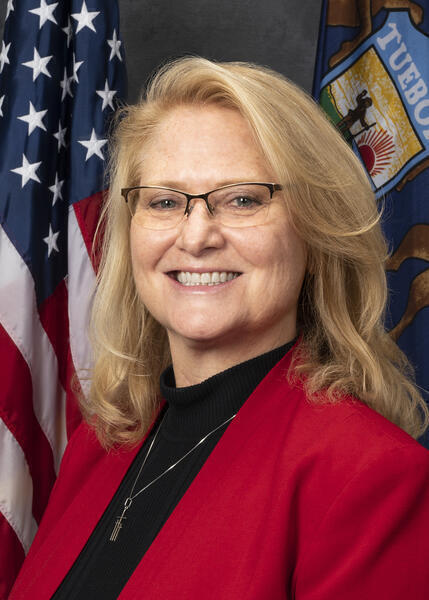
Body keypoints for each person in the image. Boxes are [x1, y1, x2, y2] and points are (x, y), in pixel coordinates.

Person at [9, 57, 429, 599]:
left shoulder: (369, 476)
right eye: (165, 201)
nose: (196, 236)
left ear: (316, 233)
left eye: (242, 199)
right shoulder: (102, 442)